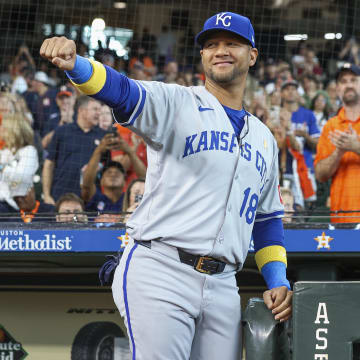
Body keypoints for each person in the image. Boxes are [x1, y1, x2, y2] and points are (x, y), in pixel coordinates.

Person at [40, 12, 292, 360]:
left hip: (223, 284)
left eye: (232, 43)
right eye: (211, 45)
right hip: (162, 268)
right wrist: (77, 66)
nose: (220, 50)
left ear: (252, 55)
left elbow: (266, 221)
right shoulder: (176, 102)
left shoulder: (264, 138)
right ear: (202, 56)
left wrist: (278, 279)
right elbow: (123, 91)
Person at [315, 63, 360, 223]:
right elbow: (320, 174)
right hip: (341, 217)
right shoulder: (330, 126)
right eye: (343, 81)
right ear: (338, 89)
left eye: (353, 80)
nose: (348, 84)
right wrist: (338, 152)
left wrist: (355, 147)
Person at [42, 95, 106, 204]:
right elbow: (48, 164)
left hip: (89, 199)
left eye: (100, 110)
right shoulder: (62, 131)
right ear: (81, 110)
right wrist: (47, 195)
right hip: (60, 196)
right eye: (95, 109)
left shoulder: (103, 136)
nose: (99, 113)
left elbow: (105, 165)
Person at [280, 80, 320, 209]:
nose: (291, 91)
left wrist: (305, 135)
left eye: (294, 89)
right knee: (282, 207)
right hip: (282, 168)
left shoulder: (308, 115)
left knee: (306, 207)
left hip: (305, 167)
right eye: (287, 89)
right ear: (281, 93)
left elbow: (318, 143)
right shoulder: (277, 114)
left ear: (298, 93)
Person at [0, 112, 39, 212]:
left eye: (2, 127)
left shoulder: (29, 151)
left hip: (11, 206)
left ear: (12, 130)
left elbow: (22, 177)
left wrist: (2, 168)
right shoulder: (4, 152)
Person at [81, 134, 126, 213]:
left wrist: (130, 151)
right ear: (101, 181)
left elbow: (145, 183)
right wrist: (98, 150)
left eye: (117, 173)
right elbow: (87, 185)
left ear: (124, 182)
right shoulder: (96, 198)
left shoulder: (128, 199)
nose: (113, 174)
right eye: (109, 173)